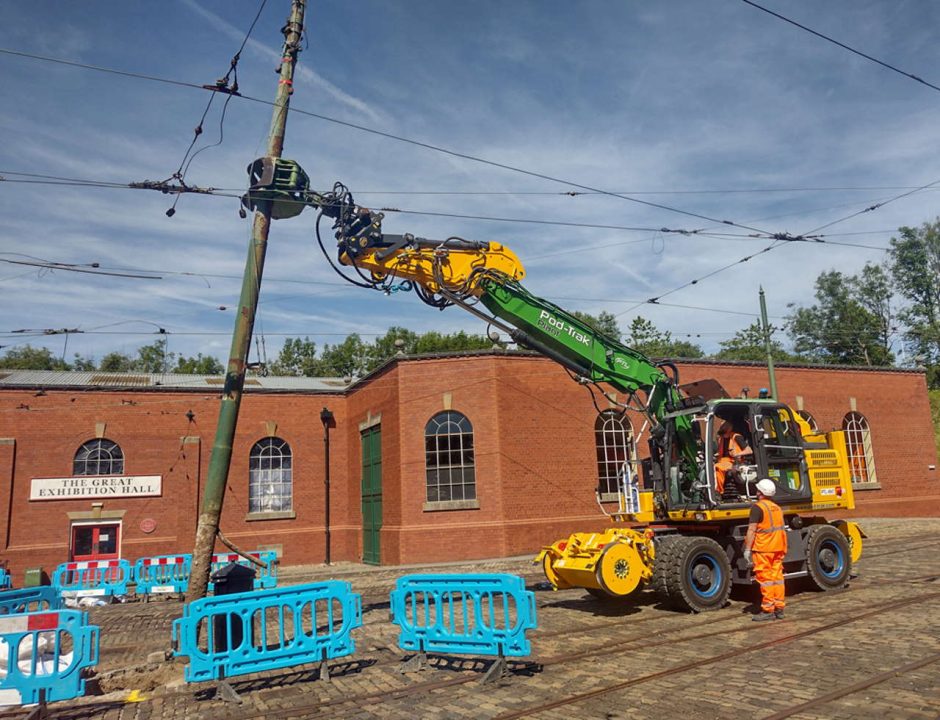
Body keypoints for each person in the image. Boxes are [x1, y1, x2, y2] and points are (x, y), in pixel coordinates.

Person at [743, 478, 787, 621]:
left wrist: (747, 549)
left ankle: (768, 610)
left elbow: (752, 530)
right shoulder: (777, 508)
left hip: (764, 549)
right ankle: (779, 608)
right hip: (778, 547)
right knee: (778, 578)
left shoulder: (758, 508)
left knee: (766, 579)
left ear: (760, 492)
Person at [714, 420, 753, 495]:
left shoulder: (737, 437)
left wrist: (738, 454)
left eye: (724, 427)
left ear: (730, 428)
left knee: (717, 467)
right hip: (722, 461)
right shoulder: (721, 439)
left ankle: (718, 491)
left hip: (734, 462)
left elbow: (749, 450)